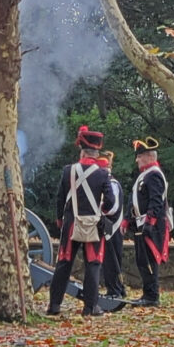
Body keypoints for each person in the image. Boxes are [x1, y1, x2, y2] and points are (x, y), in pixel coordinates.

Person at [47, 126, 115, 317]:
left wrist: (60, 219)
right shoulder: (102, 174)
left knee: (64, 263)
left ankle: (54, 305)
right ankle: (90, 307)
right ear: (96, 152)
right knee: (93, 264)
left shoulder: (68, 170)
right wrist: (101, 211)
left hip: (70, 224)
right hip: (93, 223)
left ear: (82, 150)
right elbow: (110, 202)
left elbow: (60, 198)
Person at [123, 136, 169, 307]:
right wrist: (127, 220)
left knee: (149, 261)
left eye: (140, 156)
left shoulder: (154, 175)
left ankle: (152, 296)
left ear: (149, 156)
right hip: (140, 224)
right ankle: (147, 293)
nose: (137, 159)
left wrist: (150, 221)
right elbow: (134, 201)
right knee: (142, 261)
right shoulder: (145, 175)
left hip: (151, 226)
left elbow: (156, 202)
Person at [97, 150, 126, 300]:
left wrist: (97, 209)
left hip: (112, 227)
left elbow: (112, 207)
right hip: (108, 227)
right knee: (108, 262)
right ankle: (114, 289)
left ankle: (116, 290)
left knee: (112, 262)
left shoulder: (112, 183)